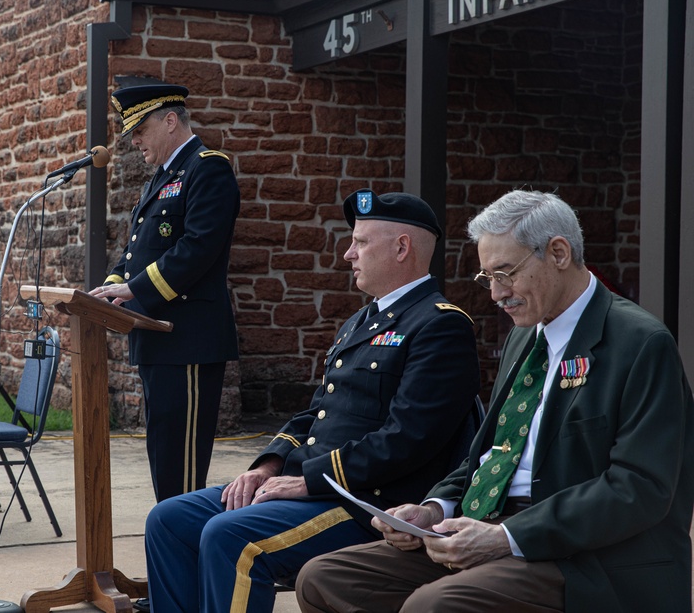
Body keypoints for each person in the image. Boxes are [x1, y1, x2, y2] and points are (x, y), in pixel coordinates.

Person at [296, 189, 694, 613]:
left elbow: (640, 487)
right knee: (323, 579)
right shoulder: (525, 334)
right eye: (487, 278)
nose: (495, 295)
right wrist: (434, 508)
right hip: (486, 527)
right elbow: (493, 452)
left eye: (505, 273)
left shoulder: (640, 342)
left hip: (585, 557)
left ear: (558, 253)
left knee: (435, 605)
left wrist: (507, 537)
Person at [140, 191, 482, 613]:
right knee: (168, 520)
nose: (347, 254)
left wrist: (307, 482)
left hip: (363, 503)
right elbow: (316, 412)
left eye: (360, 242)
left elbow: (407, 439)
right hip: (313, 486)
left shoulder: (440, 325)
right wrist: (268, 466)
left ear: (401, 247)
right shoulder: (362, 320)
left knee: (232, 536)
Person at [88, 83, 240, 504]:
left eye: (139, 130)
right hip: (158, 338)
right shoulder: (162, 177)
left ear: (170, 120)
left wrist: (134, 292)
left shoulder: (208, 168)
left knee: (183, 471)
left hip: (187, 339)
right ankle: (172, 556)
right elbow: (136, 250)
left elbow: (198, 249)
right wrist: (115, 285)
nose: (133, 140)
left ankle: (185, 561)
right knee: (164, 462)